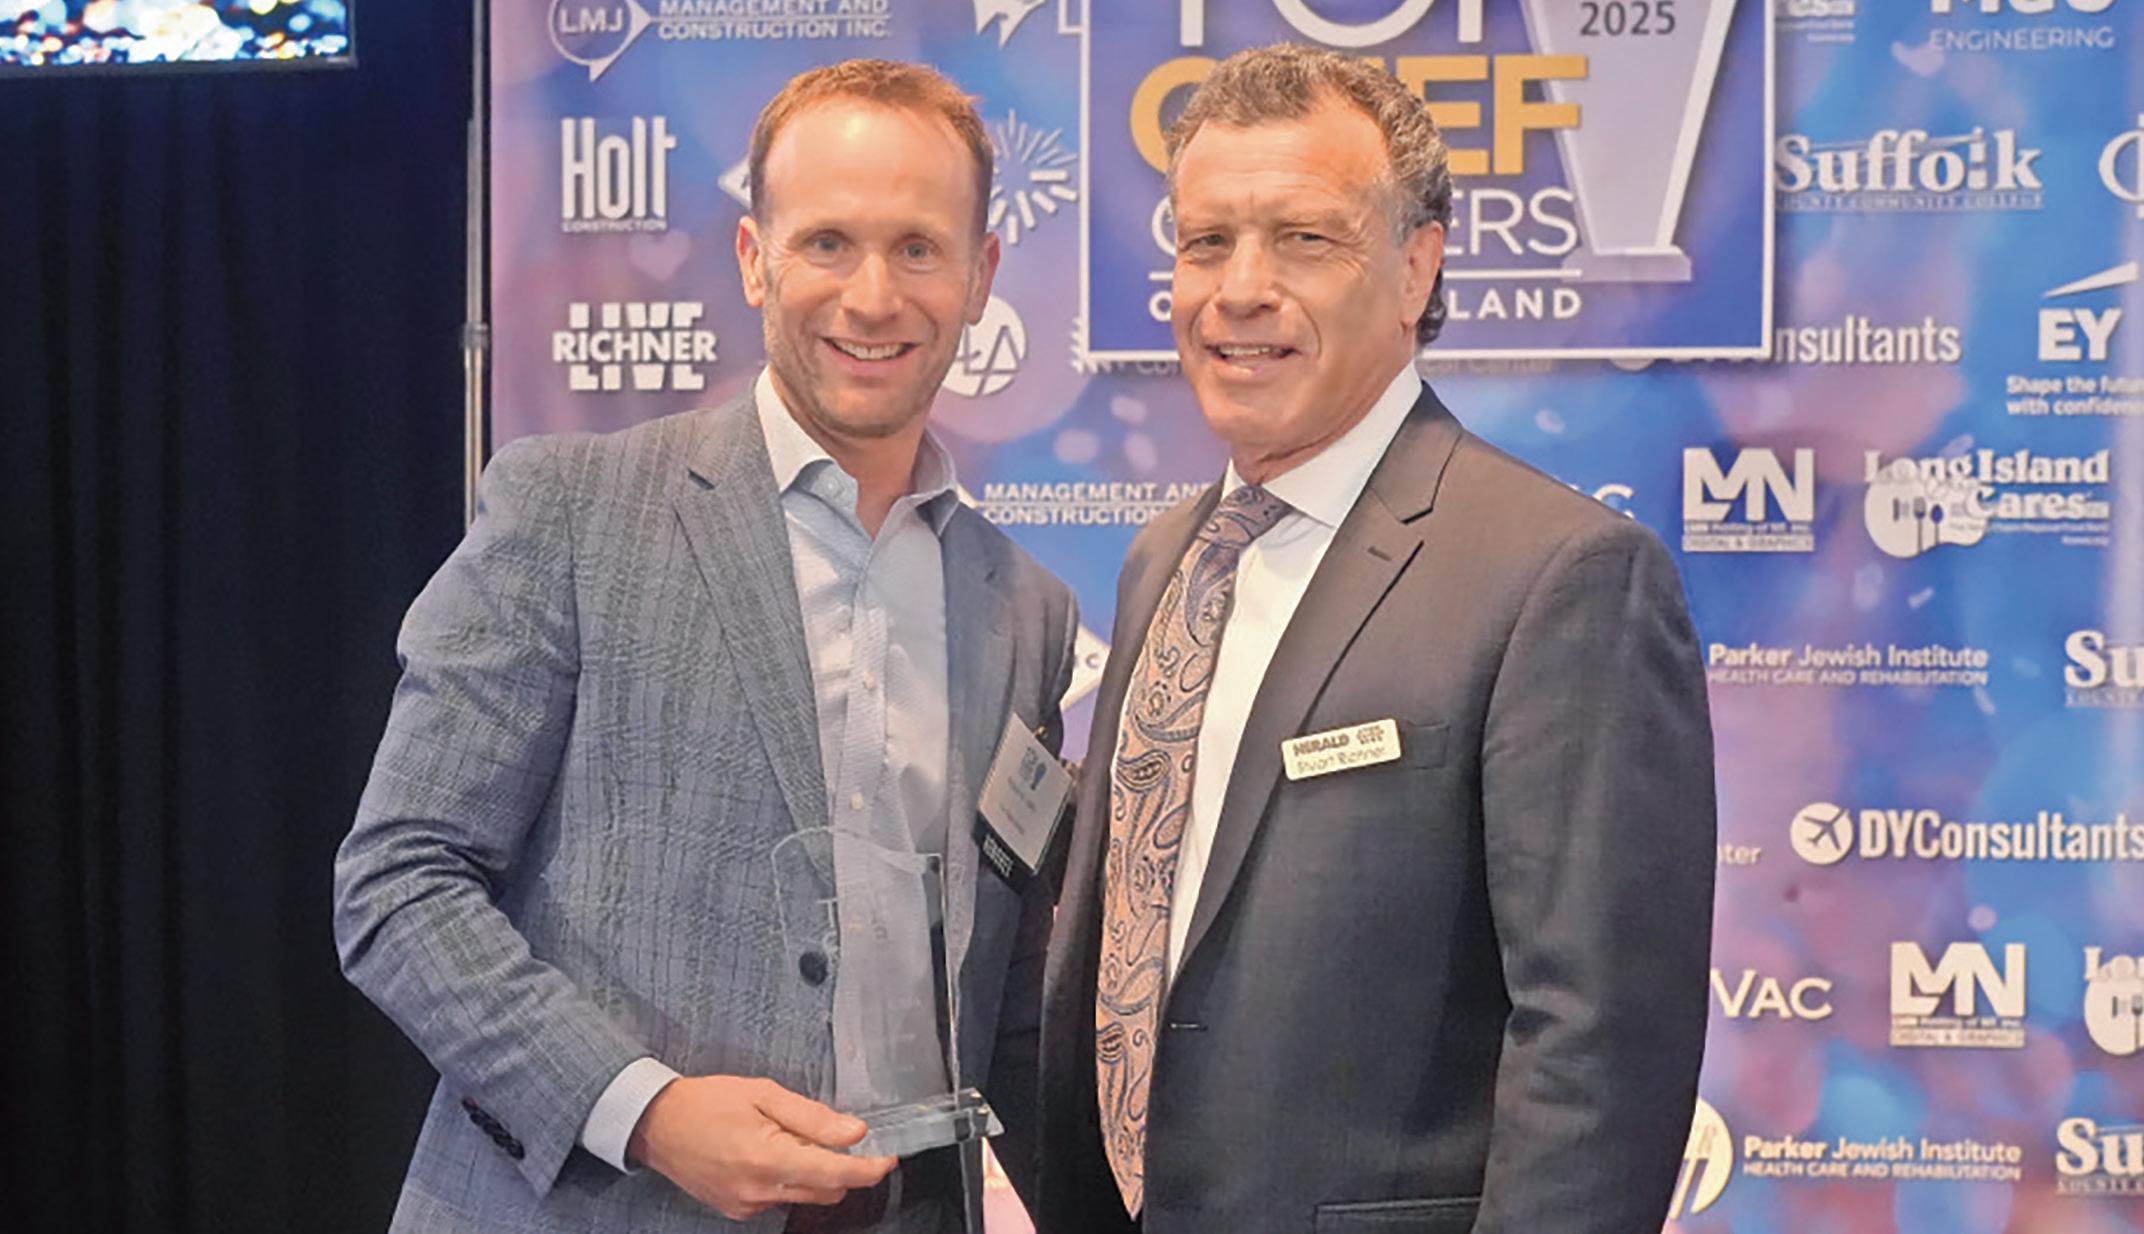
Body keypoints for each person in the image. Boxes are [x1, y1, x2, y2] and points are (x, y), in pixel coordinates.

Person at [334, 59, 1077, 1234]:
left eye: (917, 248)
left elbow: (1007, 996)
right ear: (752, 258)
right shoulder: (572, 510)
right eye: (827, 242)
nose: (872, 296)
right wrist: (645, 1109)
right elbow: (399, 883)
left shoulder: (1023, 607)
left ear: (980, 273)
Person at [1036, 44, 1716, 1234]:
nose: (1238, 289)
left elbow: (1598, 1052)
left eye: (1303, 239)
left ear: (1415, 268)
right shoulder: (1164, 560)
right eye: (1205, 241)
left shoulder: (1561, 577)